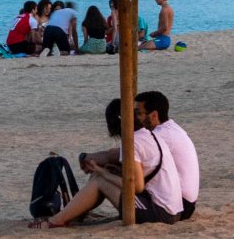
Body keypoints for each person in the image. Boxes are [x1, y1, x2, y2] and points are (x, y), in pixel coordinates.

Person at [29, 95, 183, 227]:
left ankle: (56, 221)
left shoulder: (133, 142)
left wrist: (102, 172)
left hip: (161, 214)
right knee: (100, 175)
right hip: (172, 209)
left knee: (99, 180)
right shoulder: (147, 135)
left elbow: (137, 186)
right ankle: (74, 214)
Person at [138, 90, 199, 220]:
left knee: (112, 178)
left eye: (139, 113)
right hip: (185, 202)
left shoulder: (162, 135)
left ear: (154, 115)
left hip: (178, 204)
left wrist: (92, 158)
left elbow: (130, 153)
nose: (136, 118)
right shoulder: (172, 128)